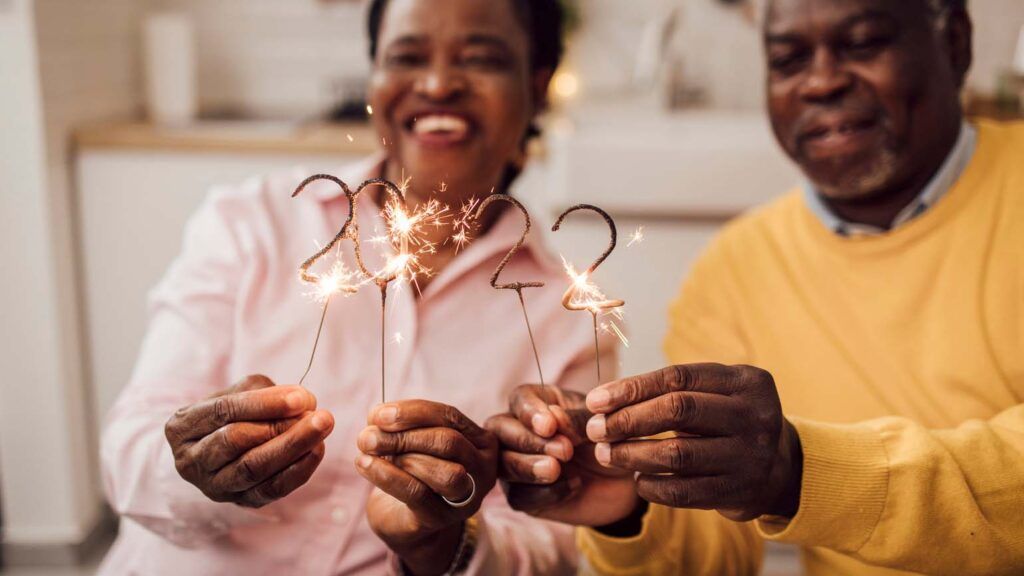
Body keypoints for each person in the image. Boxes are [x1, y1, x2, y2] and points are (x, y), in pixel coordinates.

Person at [489, 0, 1024, 574]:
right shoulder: (731, 273)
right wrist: (628, 508)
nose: (821, 81)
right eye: (789, 59)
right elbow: (718, 554)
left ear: (956, 43)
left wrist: (801, 472)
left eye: (864, 43)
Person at [99, 0, 617, 574]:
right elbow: (126, 453)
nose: (438, 83)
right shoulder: (249, 224)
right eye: (406, 56)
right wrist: (195, 467)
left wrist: (440, 543)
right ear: (374, 77)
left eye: (481, 59)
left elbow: (553, 547)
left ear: (538, 86)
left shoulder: (565, 313)